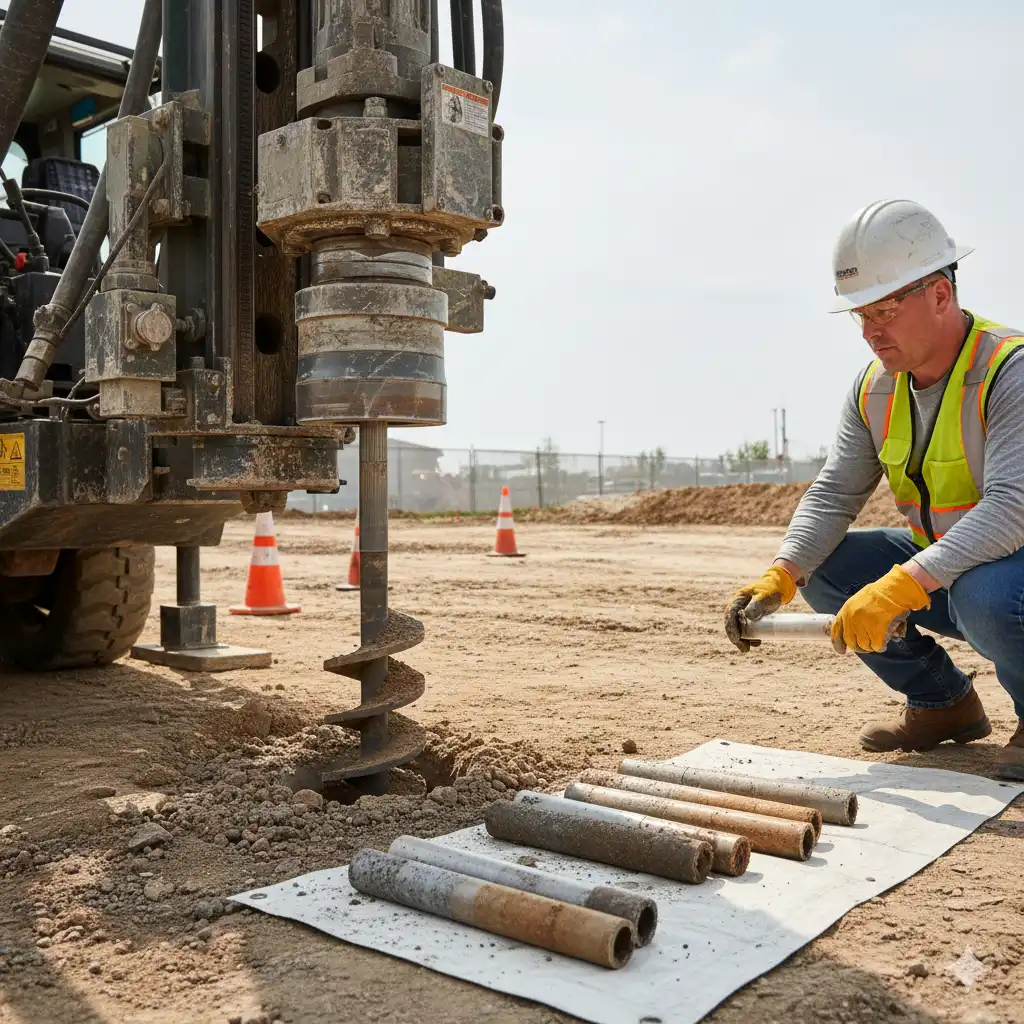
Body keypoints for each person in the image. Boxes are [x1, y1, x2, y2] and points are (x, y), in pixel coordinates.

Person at [724, 199, 1024, 781]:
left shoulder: (1009, 370)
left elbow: (1011, 509)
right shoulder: (875, 390)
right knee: (829, 568)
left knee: (984, 596)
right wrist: (783, 572)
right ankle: (942, 704)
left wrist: (903, 584)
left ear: (941, 294)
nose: (870, 331)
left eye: (884, 309)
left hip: (1008, 574)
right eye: (860, 314)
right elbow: (835, 492)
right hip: (955, 567)